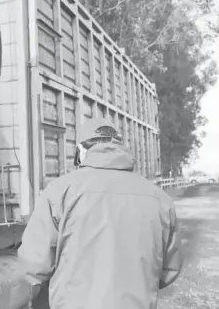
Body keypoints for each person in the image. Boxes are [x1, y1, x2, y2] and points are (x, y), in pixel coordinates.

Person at [18, 118, 183, 309]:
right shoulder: (160, 199)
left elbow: (34, 265)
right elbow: (170, 268)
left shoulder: (60, 191)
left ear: (80, 152)